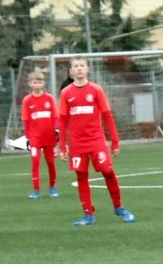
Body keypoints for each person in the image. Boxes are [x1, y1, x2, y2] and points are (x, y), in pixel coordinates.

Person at [58, 56, 136, 226]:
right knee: (81, 175)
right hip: (77, 143)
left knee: (108, 171)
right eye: (75, 66)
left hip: (96, 140)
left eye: (82, 65)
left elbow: (107, 115)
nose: (79, 68)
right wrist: (62, 146)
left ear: (87, 69)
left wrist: (115, 141)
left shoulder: (96, 90)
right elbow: (62, 121)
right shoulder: (66, 93)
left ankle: (118, 207)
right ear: (71, 72)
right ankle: (88, 214)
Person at [20, 69, 59, 199]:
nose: (37, 85)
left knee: (51, 163)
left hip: (49, 137)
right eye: (35, 82)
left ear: (43, 83)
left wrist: (56, 130)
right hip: (35, 138)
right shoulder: (27, 100)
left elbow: (55, 116)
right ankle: (36, 190)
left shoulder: (49, 98)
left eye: (39, 82)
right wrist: (28, 137)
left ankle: (52, 188)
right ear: (30, 84)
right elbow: (26, 119)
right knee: (35, 163)